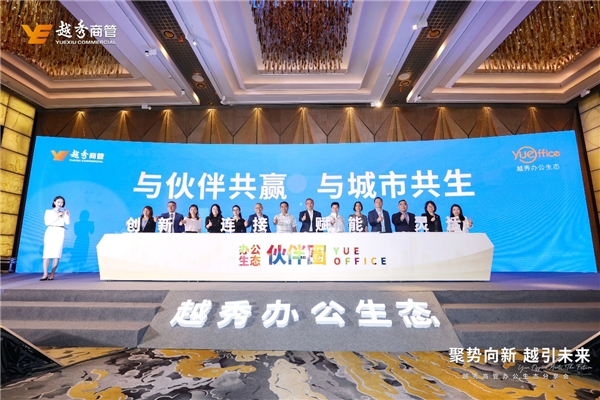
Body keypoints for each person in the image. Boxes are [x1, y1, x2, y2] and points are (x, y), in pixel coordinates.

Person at [41, 196, 70, 280]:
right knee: (47, 253)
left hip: (60, 231)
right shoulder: (49, 212)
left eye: (62, 202)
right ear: (54, 202)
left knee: (56, 254)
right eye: (58, 202)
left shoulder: (64, 211)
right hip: (51, 231)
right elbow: (47, 222)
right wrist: (57, 215)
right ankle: (45, 274)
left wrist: (67, 215)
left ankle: (52, 273)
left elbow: (67, 222)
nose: (60, 204)